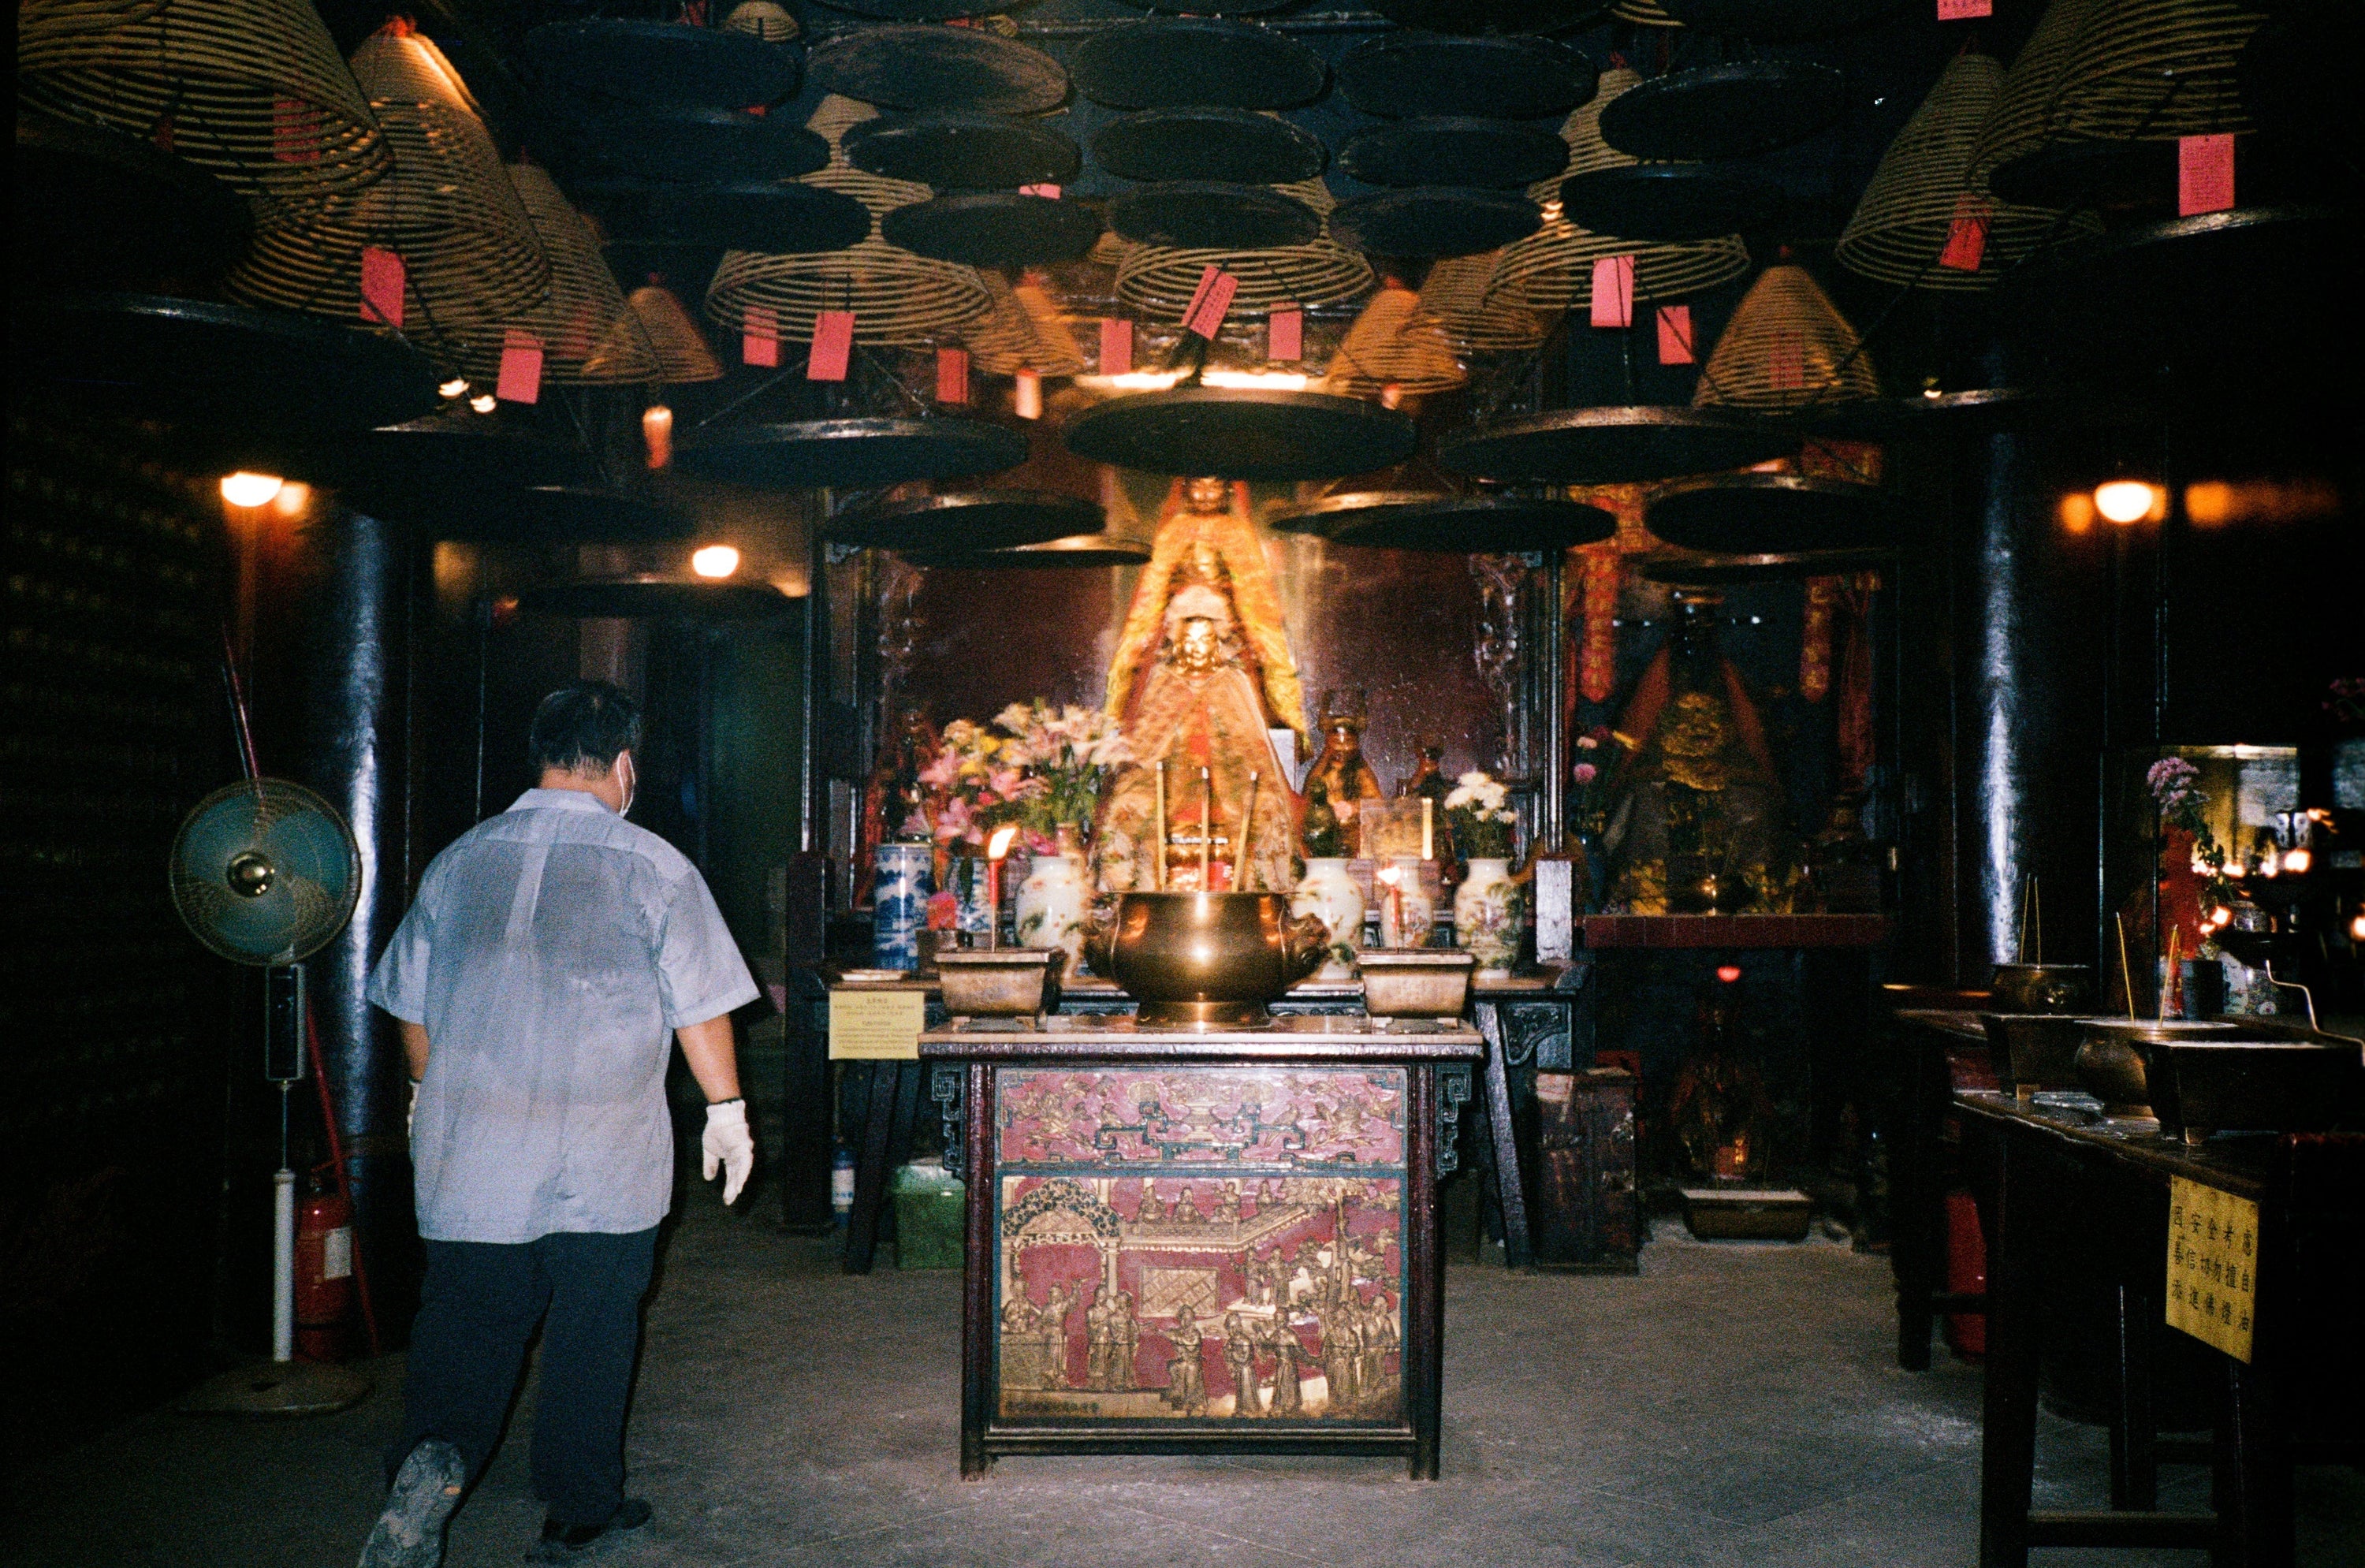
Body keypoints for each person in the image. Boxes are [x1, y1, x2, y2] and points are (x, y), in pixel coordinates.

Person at [356, 682, 758, 1568]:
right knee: (594, 1322)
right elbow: (700, 1008)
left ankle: (429, 1467)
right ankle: (577, 1509)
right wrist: (727, 1111)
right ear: (624, 765)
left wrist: (427, 1091)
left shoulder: (460, 861)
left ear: (537, 758)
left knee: (467, 1321)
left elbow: (408, 1003)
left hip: (477, 1149)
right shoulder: (653, 865)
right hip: (603, 1150)